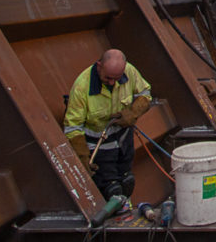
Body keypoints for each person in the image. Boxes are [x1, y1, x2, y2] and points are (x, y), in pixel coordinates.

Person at [64, 49, 152, 200]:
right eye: (108, 78)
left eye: (116, 79)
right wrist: (82, 156)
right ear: (99, 66)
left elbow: (145, 94)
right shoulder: (82, 87)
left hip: (123, 140)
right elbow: (72, 127)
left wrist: (133, 113)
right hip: (99, 147)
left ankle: (125, 211)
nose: (112, 83)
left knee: (126, 181)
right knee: (112, 189)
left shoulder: (129, 71)